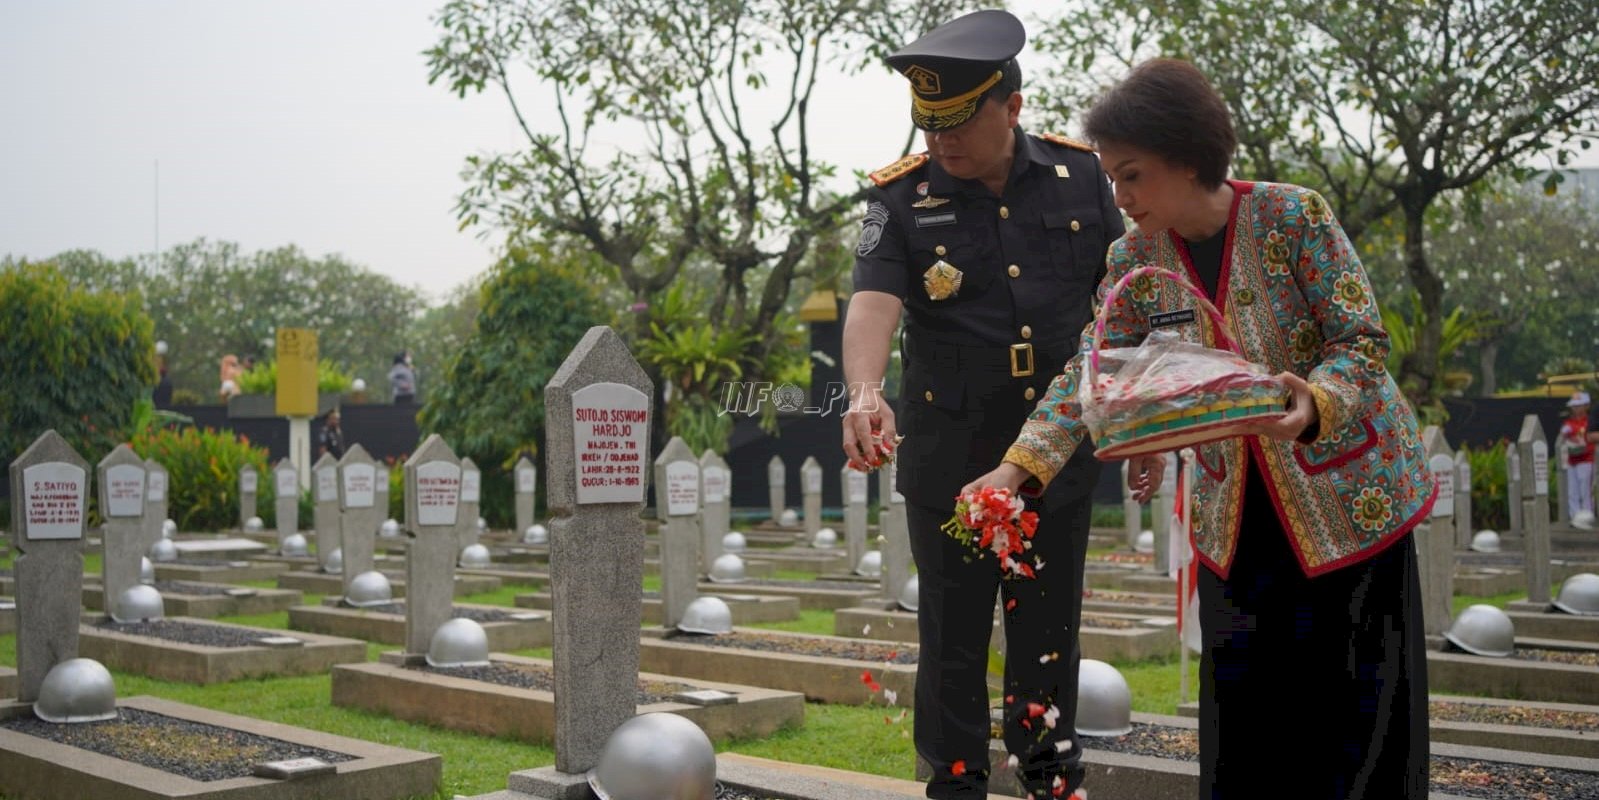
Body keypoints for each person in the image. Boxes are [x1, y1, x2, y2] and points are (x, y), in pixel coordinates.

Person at [964, 59, 1433, 799]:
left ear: (1186, 158)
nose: (1118, 199)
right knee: (1244, 713)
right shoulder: (1133, 260)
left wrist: (1311, 401)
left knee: (1355, 711)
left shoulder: (1293, 216)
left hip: (1346, 507)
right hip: (1232, 516)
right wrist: (1016, 469)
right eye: (1111, 180)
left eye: (1132, 177)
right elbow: (1092, 375)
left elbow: (1360, 342)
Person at [840, 10, 1126, 798]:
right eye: (927, 127)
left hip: (1052, 456)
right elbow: (871, 302)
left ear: (1012, 106)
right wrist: (864, 392)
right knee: (953, 642)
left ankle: (1049, 781)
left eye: (958, 124)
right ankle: (956, 787)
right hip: (948, 460)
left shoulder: (1083, 178)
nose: (940, 144)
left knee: (1048, 635)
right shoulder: (898, 200)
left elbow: (1125, 302)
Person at [1560, 391, 1594, 525]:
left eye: (1579, 405)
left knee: (1585, 489)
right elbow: (1564, 435)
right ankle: (1575, 517)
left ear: (1586, 406)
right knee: (1572, 490)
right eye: (1574, 406)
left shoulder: (1590, 421)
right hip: (1571, 459)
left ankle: (1587, 517)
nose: (1575, 408)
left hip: (1586, 459)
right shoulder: (1569, 422)